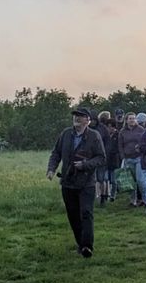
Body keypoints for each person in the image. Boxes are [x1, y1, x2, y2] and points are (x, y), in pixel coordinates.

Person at [46, 107, 107, 257]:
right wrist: (51, 169)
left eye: (80, 116)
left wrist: (85, 165)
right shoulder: (66, 134)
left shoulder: (94, 136)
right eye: (75, 116)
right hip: (67, 182)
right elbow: (56, 153)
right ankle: (80, 243)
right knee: (73, 215)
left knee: (86, 212)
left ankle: (87, 246)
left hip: (87, 183)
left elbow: (101, 158)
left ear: (88, 120)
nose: (77, 118)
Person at [118, 112, 146, 213]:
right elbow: (120, 145)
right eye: (130, 119)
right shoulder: (122, 131)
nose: (132, 120)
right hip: (128, 158)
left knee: (140, 180)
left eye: (134, 119)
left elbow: (144, 141)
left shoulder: (141, 130)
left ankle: (145, 200)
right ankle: (133, 200)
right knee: (130, 181)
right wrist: (123, 157)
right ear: (126, 120)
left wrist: (140, 148)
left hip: (139, 158)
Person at [95, 111, 116, 204]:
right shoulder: (103, 129)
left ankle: (101, 195)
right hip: (103, 156)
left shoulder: (99, 129)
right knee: (104, 178)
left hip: (101, 156)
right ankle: (105, 194)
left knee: (102, 179)